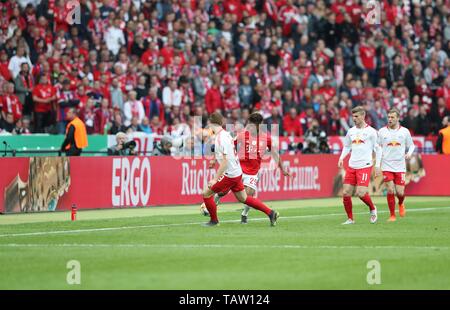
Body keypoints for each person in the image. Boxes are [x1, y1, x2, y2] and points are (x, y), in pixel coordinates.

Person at [201, 112, 290, 224]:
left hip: (251, 172)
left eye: (251, 125)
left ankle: (241, 215)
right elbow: (228, 146)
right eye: (248, 124)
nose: (248, 127)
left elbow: (275, 154)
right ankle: (270, 213)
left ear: (258, 126)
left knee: (246, 196)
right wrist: (214, 158)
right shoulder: (242, 135)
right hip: (240, 169)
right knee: (232, 195)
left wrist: (282, 169)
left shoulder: (266, 138)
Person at [338, 106, 382, 224]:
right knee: (346, 192)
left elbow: (378, 149)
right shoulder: (351, 131)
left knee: (361, 193)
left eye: (356, 116)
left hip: (365, 165)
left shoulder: (371, 132)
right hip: (352, 165)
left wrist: (377, 165)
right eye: (353, 116)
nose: (354, 118)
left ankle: (373, 208)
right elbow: (347, 146)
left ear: (363, 116)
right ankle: (350, 219)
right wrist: (342, 158)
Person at [378, 108, 415, 221]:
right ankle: (392, 215)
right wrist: (377, 164)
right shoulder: (381, 131)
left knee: (400, 192)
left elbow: (412, 145)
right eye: (388, 117)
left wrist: (409, 153)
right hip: (386, 165)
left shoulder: (404, 131)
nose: (390, 119)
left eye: (392, 117)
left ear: (398, 118)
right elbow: (378, 147)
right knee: (390, 190)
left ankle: (401, 203)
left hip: (400, 166)